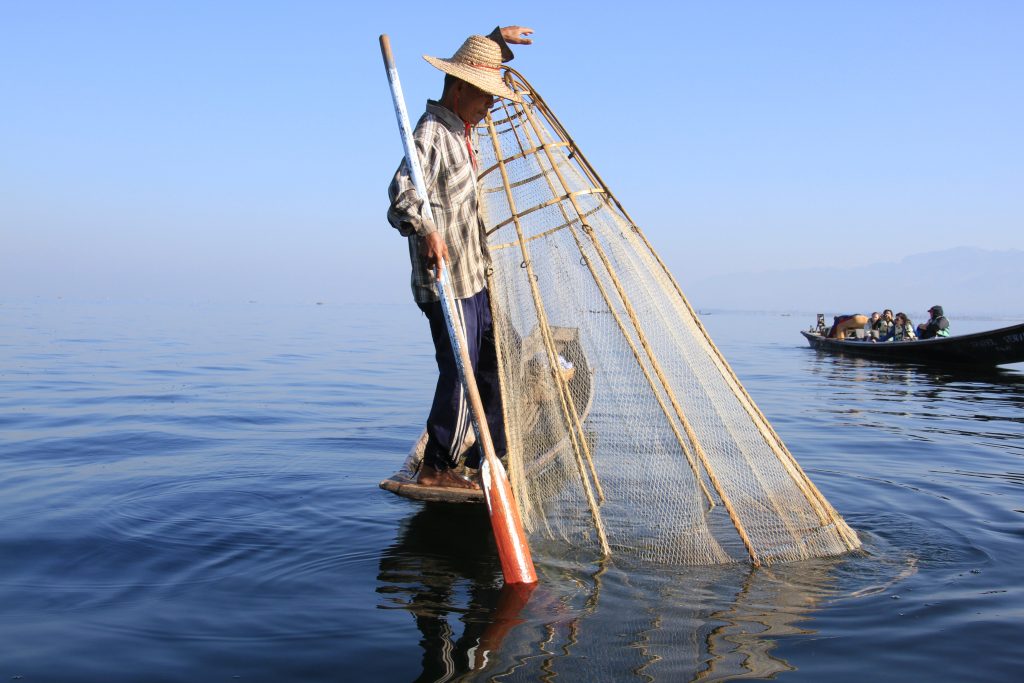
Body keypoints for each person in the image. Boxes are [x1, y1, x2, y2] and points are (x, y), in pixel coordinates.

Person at [386, 27, 534, 489]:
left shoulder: (462, 132)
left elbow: (477, 62)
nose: (490, 105)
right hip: (447, 280)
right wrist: (427, 231)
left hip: (476, 276)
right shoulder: (431, 133)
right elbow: (401, 197)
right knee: (460, 367)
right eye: (484, 95)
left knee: (494, 360)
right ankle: (437, 467)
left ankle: (493, 453)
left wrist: (494, 40)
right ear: (459, 87)